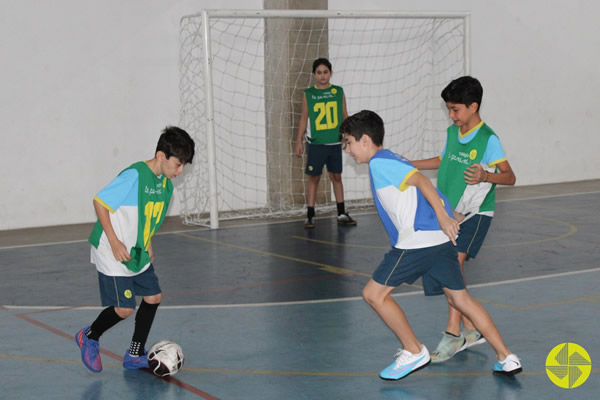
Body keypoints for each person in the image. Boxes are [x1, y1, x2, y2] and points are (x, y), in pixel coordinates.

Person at [339, 110, 522, 380]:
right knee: (461, 299)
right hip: (439, 240)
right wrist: (449, 213)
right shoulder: (392, 159)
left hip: (418, 242)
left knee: (373, 295)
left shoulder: (380, 162)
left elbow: (422, 180)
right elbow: (429, 189)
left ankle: (413, 351)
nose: (348, 150)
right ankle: (506, 357)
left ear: (365, 140)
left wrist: (443, 216)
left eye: (348, 143)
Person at [411, 76, 516, 363]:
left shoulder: (488, 139)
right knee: (450, 269)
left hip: (476, 213)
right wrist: (410, 163)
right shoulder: (452, 133)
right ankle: (470, 328)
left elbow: (510, 177)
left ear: (473, 106)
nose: (451, 115)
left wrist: (486, 176)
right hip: (451, 212)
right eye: (448, 109)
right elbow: (443, 161)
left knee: (452, 264)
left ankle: (453, 334)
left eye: (455, 109)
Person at [75, 126, 195, 373]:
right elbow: (100, 202)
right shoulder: (134, 176)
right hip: (112, 249)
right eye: (178, 164)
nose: (181, 171)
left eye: (184, 165)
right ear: (161, 156)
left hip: (136, 250)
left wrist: (148, 242)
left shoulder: (166, 187)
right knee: (125, 308)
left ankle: (134, 354)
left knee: (153, 297)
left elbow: (146, 218)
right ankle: (89, 335)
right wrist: (115, 240)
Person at [295, 58, 356, 228]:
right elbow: (303, 118)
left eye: (326, 72)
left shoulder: (338, 92)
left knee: (336, 176)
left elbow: (345, 116)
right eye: (319, 72)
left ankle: (342, 213)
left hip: (335, 143)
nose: (323, 76)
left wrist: (348, 137)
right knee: (314, 177)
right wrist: (298, 140)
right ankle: (310, 214)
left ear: (331, 73)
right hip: (316, 144)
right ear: (314, 75)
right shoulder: (309, 94)